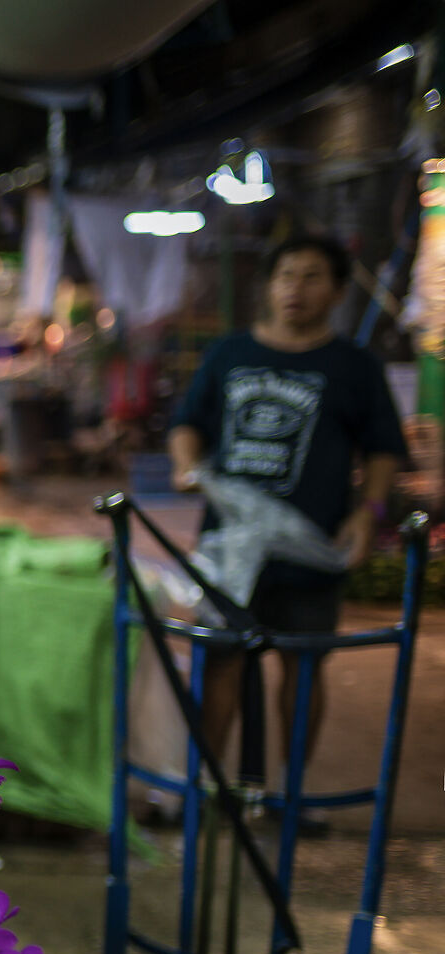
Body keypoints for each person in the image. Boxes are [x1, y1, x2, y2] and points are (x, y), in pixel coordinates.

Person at [169, 234, 406, 770]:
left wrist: (366, 515)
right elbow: (187, 425)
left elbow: (383, 450)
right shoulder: (230, 353)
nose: (295, 289)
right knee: (221, 661)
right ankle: (208, 788)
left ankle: (292, 792)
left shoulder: (354, 366)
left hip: (312, 546)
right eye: (286, 276)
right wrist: (187, 465)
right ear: (269, 286)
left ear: (339, 291)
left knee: (303, 667)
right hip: (231, 551)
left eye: (312, 277)